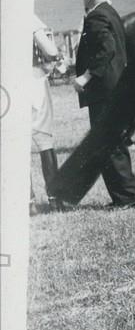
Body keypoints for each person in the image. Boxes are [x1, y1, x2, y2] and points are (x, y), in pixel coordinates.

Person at [74, 0, 135, 208]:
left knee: (108, 142)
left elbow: (107, 48)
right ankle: (130, 195)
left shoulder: (96, 16)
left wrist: (85, 77)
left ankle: (128, 197)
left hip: (103, 89)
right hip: (115, 86)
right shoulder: (110, 12)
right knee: (114, 141)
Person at [31, 13, 64, 213]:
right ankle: (54, 198)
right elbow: (50, 50)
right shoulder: (26, 15)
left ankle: (27, 201)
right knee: (44, 141)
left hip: (6, 86)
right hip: (32, 80)